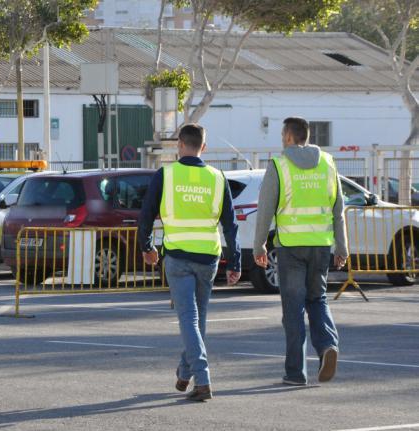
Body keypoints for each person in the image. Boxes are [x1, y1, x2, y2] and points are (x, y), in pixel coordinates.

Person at [139, 124, 241, 402]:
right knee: (199, 320)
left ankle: (203, 379)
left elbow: (146, 215)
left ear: (179, 145)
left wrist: (147, 248)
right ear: (203, 147)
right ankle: (186, 372)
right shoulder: (218, 177)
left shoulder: (166, 174)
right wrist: (235, 262)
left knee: (188, 319)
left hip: (178, 257)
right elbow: (230, 225)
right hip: (208, 258)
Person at [253, 117, 348, 386]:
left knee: (293, 309)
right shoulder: (328, 164)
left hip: (291, 248)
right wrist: (342, 247)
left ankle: (295, 373)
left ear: (288, 137)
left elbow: (265, 210)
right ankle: (328, 345)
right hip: (320, 245)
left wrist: (259, 245)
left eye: (283, 134)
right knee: (317, 300)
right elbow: (337, 210)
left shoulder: (279, 165)